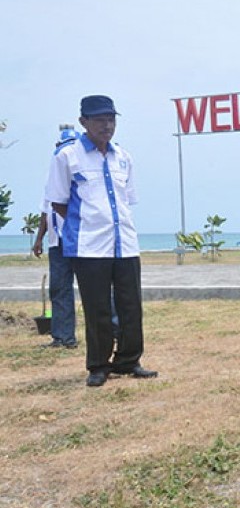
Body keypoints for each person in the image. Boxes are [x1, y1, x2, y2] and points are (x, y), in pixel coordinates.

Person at [45, 95, 156, 387]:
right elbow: (58, 202)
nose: (107, 125)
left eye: (111, 119)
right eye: (99, 120)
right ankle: (98, 365)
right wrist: (88, 223)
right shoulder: (67, 157)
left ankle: (129, 360)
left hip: (125, 243)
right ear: (84, 122)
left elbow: (127, 199)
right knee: (98, 309)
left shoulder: (123, 157)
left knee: (131, 305)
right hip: (89, 246)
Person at [33, 126, 81, 349]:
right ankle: (63, 337)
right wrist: (39, 239)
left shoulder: (83, 177)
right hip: (57, 242)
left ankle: (113, 332)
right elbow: (46, 211)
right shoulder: (52, 178)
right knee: (59, 289)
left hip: (81, 240)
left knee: (95, 289)